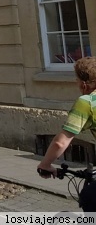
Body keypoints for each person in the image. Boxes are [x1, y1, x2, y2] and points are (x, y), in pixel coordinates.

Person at [38, 56, 96, 212]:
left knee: (89, 197)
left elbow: (60, 142)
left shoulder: (87, 102)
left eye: (76, 80)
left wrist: (45, 164)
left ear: (84, 84)